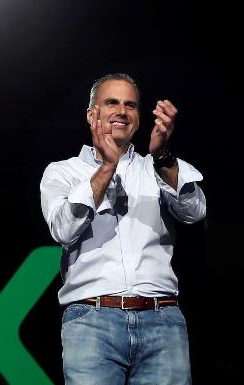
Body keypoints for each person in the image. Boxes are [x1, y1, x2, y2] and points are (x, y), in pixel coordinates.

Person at [40, 73, 206, 385]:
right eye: (112, 103)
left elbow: (195, 212)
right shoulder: (62, 172)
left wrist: (162, 155)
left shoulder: (156, 166)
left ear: (139, 117)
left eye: (130, 105)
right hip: (92, 321)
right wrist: (107, 168)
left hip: (162, 320)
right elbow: (63, 230)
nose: (122, 111)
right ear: (93, 114)